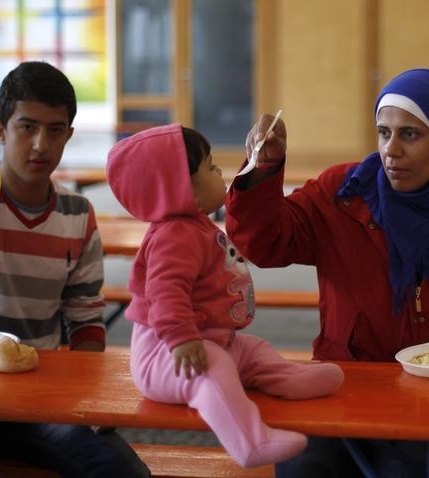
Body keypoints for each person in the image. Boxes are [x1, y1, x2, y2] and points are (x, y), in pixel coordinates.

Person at [226, 68, 429, 476]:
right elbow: (265, 243)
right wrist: (263, 171)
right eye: (383, 132)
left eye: (410, 134)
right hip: (345, 385)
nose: (390, 150)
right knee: (302, 466)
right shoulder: (344, 194)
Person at [105, 123, 345, 468]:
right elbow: (164, 291)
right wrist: (181, 339)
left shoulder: (193, 226)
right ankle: (249, 442)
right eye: (211, 167)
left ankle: (292, 379)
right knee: (214, 366)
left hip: (211, 339)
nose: (221, 172)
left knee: (253, 351)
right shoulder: (174, 235)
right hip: (166, 354)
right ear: (184, 189)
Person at [0, 61, 150, 477]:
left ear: (69, 136)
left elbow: (85, 321)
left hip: (42, 400)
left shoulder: (78, 215)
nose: (41, 144)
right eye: (27, 127)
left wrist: (89, 397)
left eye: (55, 130)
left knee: (122, 470)